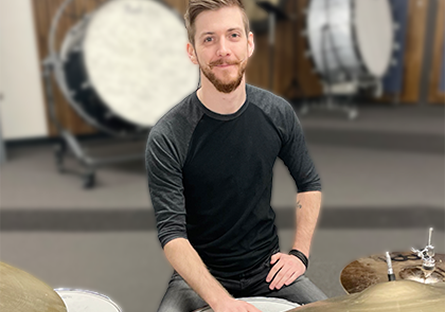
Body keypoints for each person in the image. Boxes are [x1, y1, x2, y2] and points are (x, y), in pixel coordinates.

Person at [145, 0, 327, 311]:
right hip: (198, 277)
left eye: (233, 35)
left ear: (249, 43)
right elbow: (172, 233)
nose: (223, 50)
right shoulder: (168, 135)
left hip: (267, 270)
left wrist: (299, 254)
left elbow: (308, 183)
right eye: (208, 39)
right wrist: (221, 301)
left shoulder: (276, 112)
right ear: (192, 52)